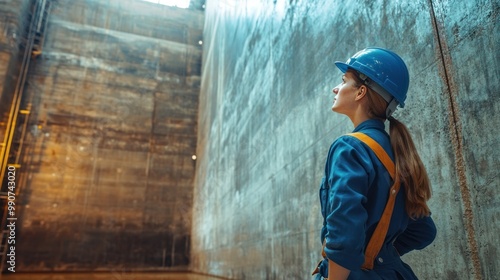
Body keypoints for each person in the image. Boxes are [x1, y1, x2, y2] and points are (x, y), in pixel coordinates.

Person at [313, 47, 437, 280]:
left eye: (343, 81)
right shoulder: (399, 151)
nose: (335, 88)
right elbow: (424, 231)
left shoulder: (349, 148)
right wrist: (381, 255)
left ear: (361, 92)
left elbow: (344, 235)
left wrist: (362, 260)